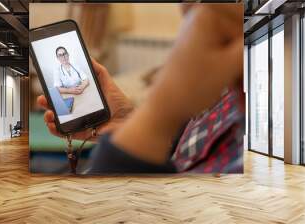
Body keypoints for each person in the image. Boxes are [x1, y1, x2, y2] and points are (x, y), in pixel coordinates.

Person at [37, 4, 244, 173]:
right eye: (61, 55)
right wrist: (131, 123)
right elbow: (184, 149)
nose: (184, 9)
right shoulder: (220, 84)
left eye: (65, 54)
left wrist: (153, 121)